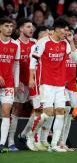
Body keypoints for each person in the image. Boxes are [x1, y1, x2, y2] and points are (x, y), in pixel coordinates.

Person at [27, 18, 77, 152]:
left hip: (61, 84)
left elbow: (76, 59)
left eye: (67, 30)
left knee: (61, 112)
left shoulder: (65, 43)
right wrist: (31, 77)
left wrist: (71, 41)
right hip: (46, 84)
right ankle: (30, 135)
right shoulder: (43, 42)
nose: (66, 32)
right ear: (56, 29)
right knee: (47, 114)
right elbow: (33, 60)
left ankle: (55, 144)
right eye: (64, 29)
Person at [8, 18, 36, 151]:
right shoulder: (15, 44)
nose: (31, 29)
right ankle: (10, 141)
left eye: (32, 27)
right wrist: (16, 80)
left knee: (40, 109)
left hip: (33, 82)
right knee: (16, 110)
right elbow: (11, 65)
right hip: (19, 83)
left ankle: (24, 134)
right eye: (28, 27)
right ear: (21, 29)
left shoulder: (35, 44)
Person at [0, 17, 20, 153]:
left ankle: (1, 144)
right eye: (6, 26)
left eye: (11, 26)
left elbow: (16, 65)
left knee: (6, 112)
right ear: (0, 27)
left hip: (8, 84)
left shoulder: (15, 45)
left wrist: (16, 83)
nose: (9, 28)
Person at [59, 28, 77, 150]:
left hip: (72, 87)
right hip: (62, 86)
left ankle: (63, 142)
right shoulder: (60, 48)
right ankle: (58, 142)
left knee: (68, 117)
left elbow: (76, 60)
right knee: (63, 112)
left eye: (70, 35)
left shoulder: (75, 50)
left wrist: (71, 42)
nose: (68, 36)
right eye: (66, 35)